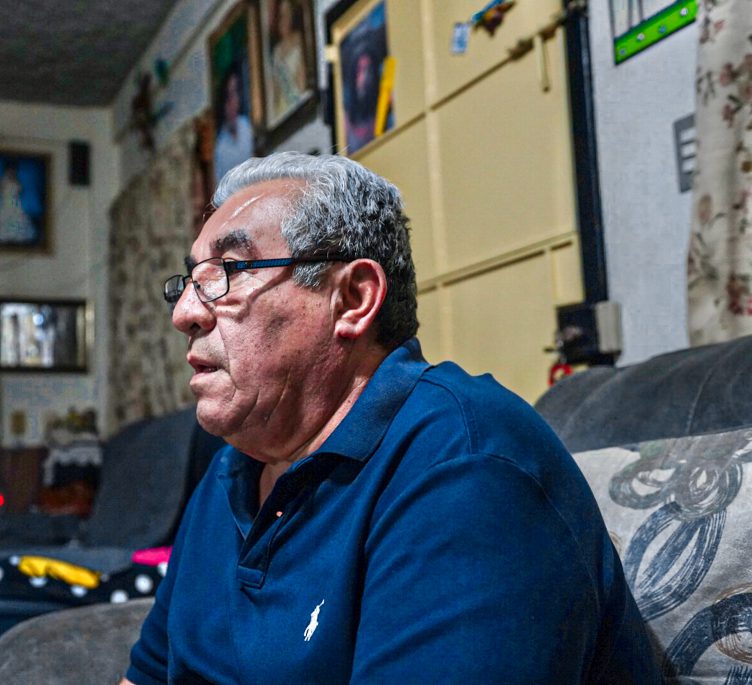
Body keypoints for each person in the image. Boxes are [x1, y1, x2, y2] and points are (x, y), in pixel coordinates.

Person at [123, 152, 660, 683]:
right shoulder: (230, 474)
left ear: (353, 299)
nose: (184, 313)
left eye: (230, 271)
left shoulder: (464, 467)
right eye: (191, 280)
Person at [0, 161, 37, 244]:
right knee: (1, 216)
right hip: (4, 201)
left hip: (14, 202)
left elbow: (20, 190)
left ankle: (14, 235)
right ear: (6, 170)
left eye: (14, 170)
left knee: (18, 218)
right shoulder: (2, 179)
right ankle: (2, 235)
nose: (12, 172)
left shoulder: (16, 180)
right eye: (10, 170)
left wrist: (16, 190)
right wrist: (4, 192)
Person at [213, 68, 255, 184]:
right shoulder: (219, 146)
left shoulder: (246, 126)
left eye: (236, 93)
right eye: (229, 96)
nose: (234, 101)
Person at [268, 0, 307, 120]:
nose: (283, 20)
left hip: (298, 108)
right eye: (281, 16)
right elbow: (274, 91)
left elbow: (301, 86)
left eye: (286, 15)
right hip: (281, 114)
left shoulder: (301, 42)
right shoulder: (276, 51)